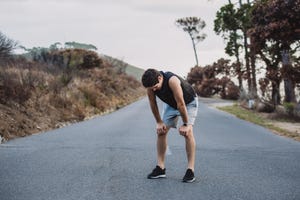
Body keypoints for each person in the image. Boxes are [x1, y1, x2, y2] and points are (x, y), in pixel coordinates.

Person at [141, 68, 198, 183]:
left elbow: (181, 104)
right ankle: (160, 168)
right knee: (161, 131)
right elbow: (153, 103)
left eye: (155, 87)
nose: (154, 90)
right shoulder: (150, 86)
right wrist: (159, 122)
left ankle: (190, 170)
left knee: (188, 133)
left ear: (160, 78)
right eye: (151, 88)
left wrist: (186, 124)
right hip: (171, 105)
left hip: (188, 103)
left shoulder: (172, 81)